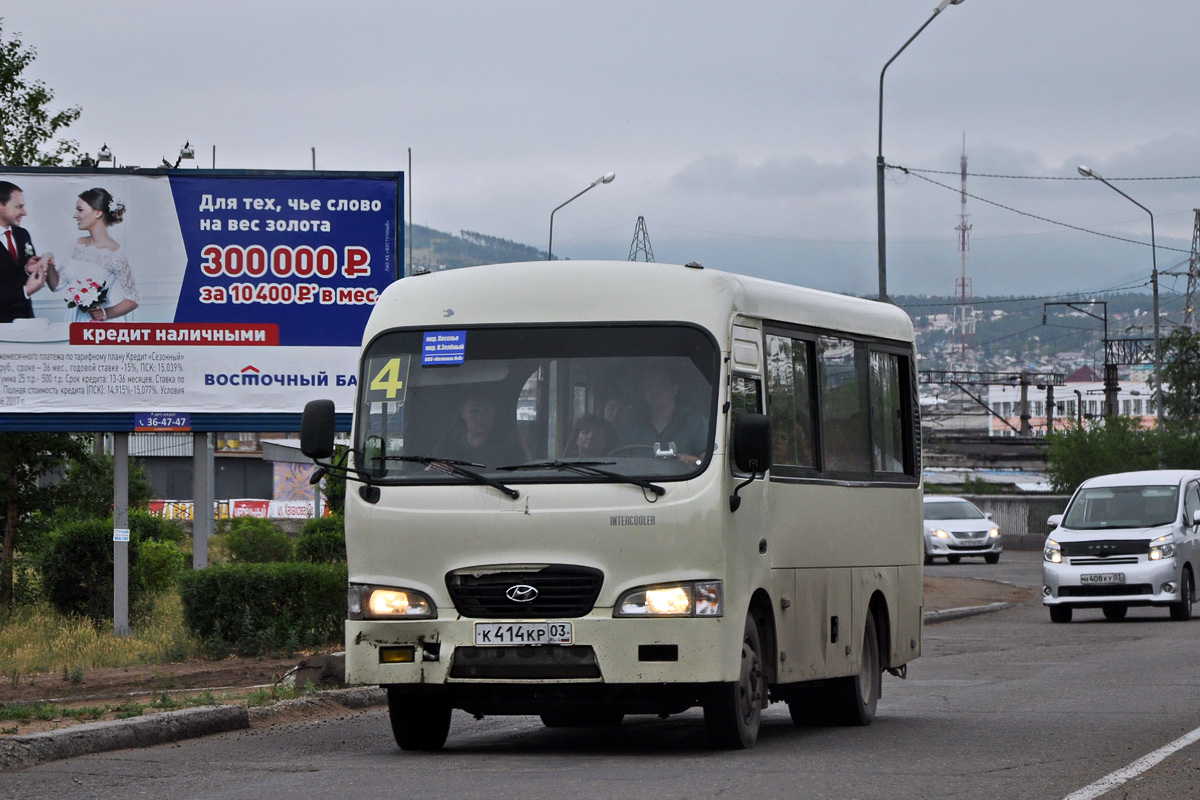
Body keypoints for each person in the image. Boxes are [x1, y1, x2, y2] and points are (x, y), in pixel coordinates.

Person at [44, 187, 139, 322]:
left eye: (80, 210)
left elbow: (133, 298)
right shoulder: (76, 245)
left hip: (101, 324)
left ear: (97, 213)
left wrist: (105, 313)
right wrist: (48, 258)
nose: (75, 215)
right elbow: (56, 285)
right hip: (74, 318)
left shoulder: (116, 253)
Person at [618, 366, 708, 465]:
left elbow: (709, 461)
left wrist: (693, 461)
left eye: (661, 386)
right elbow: (621, 462)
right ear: (643, 390)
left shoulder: (695, 422)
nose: (654, 391)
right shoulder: (633, 426)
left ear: (674, 389)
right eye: (650, 386)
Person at [0, 181, 49, 323]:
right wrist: (25, 291)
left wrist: (28, 269)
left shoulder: (22, 234)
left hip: (26, 319)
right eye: (18, 207)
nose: (24, 212)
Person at [433, 393, 525, 467]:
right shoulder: (447, 446)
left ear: (494, 413)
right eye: (474, 412)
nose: (480, 418)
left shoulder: (509, 447)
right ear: (463, 414)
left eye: (486, 411)